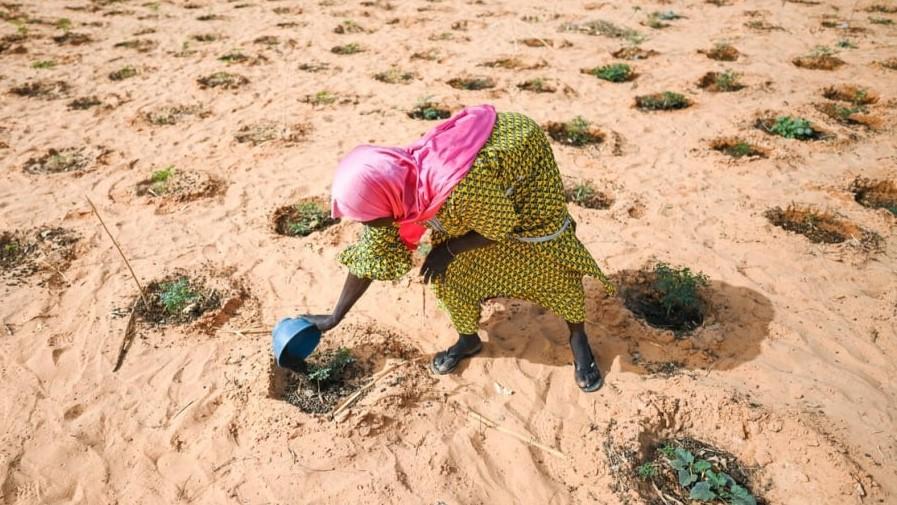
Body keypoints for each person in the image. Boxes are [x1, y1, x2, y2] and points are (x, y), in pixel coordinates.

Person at [304, 104, 615, 392]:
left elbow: (500, 227)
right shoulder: (396, 193)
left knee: (550, 260)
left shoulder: (459, 190)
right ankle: (468, 339)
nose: (367, 225)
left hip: (521, 160)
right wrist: (334, 317)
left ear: (383, 201)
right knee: (449, 277)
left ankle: (577, 336)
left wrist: (448, 249)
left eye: (368, 217)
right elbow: (371, 257)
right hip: (477, 198)